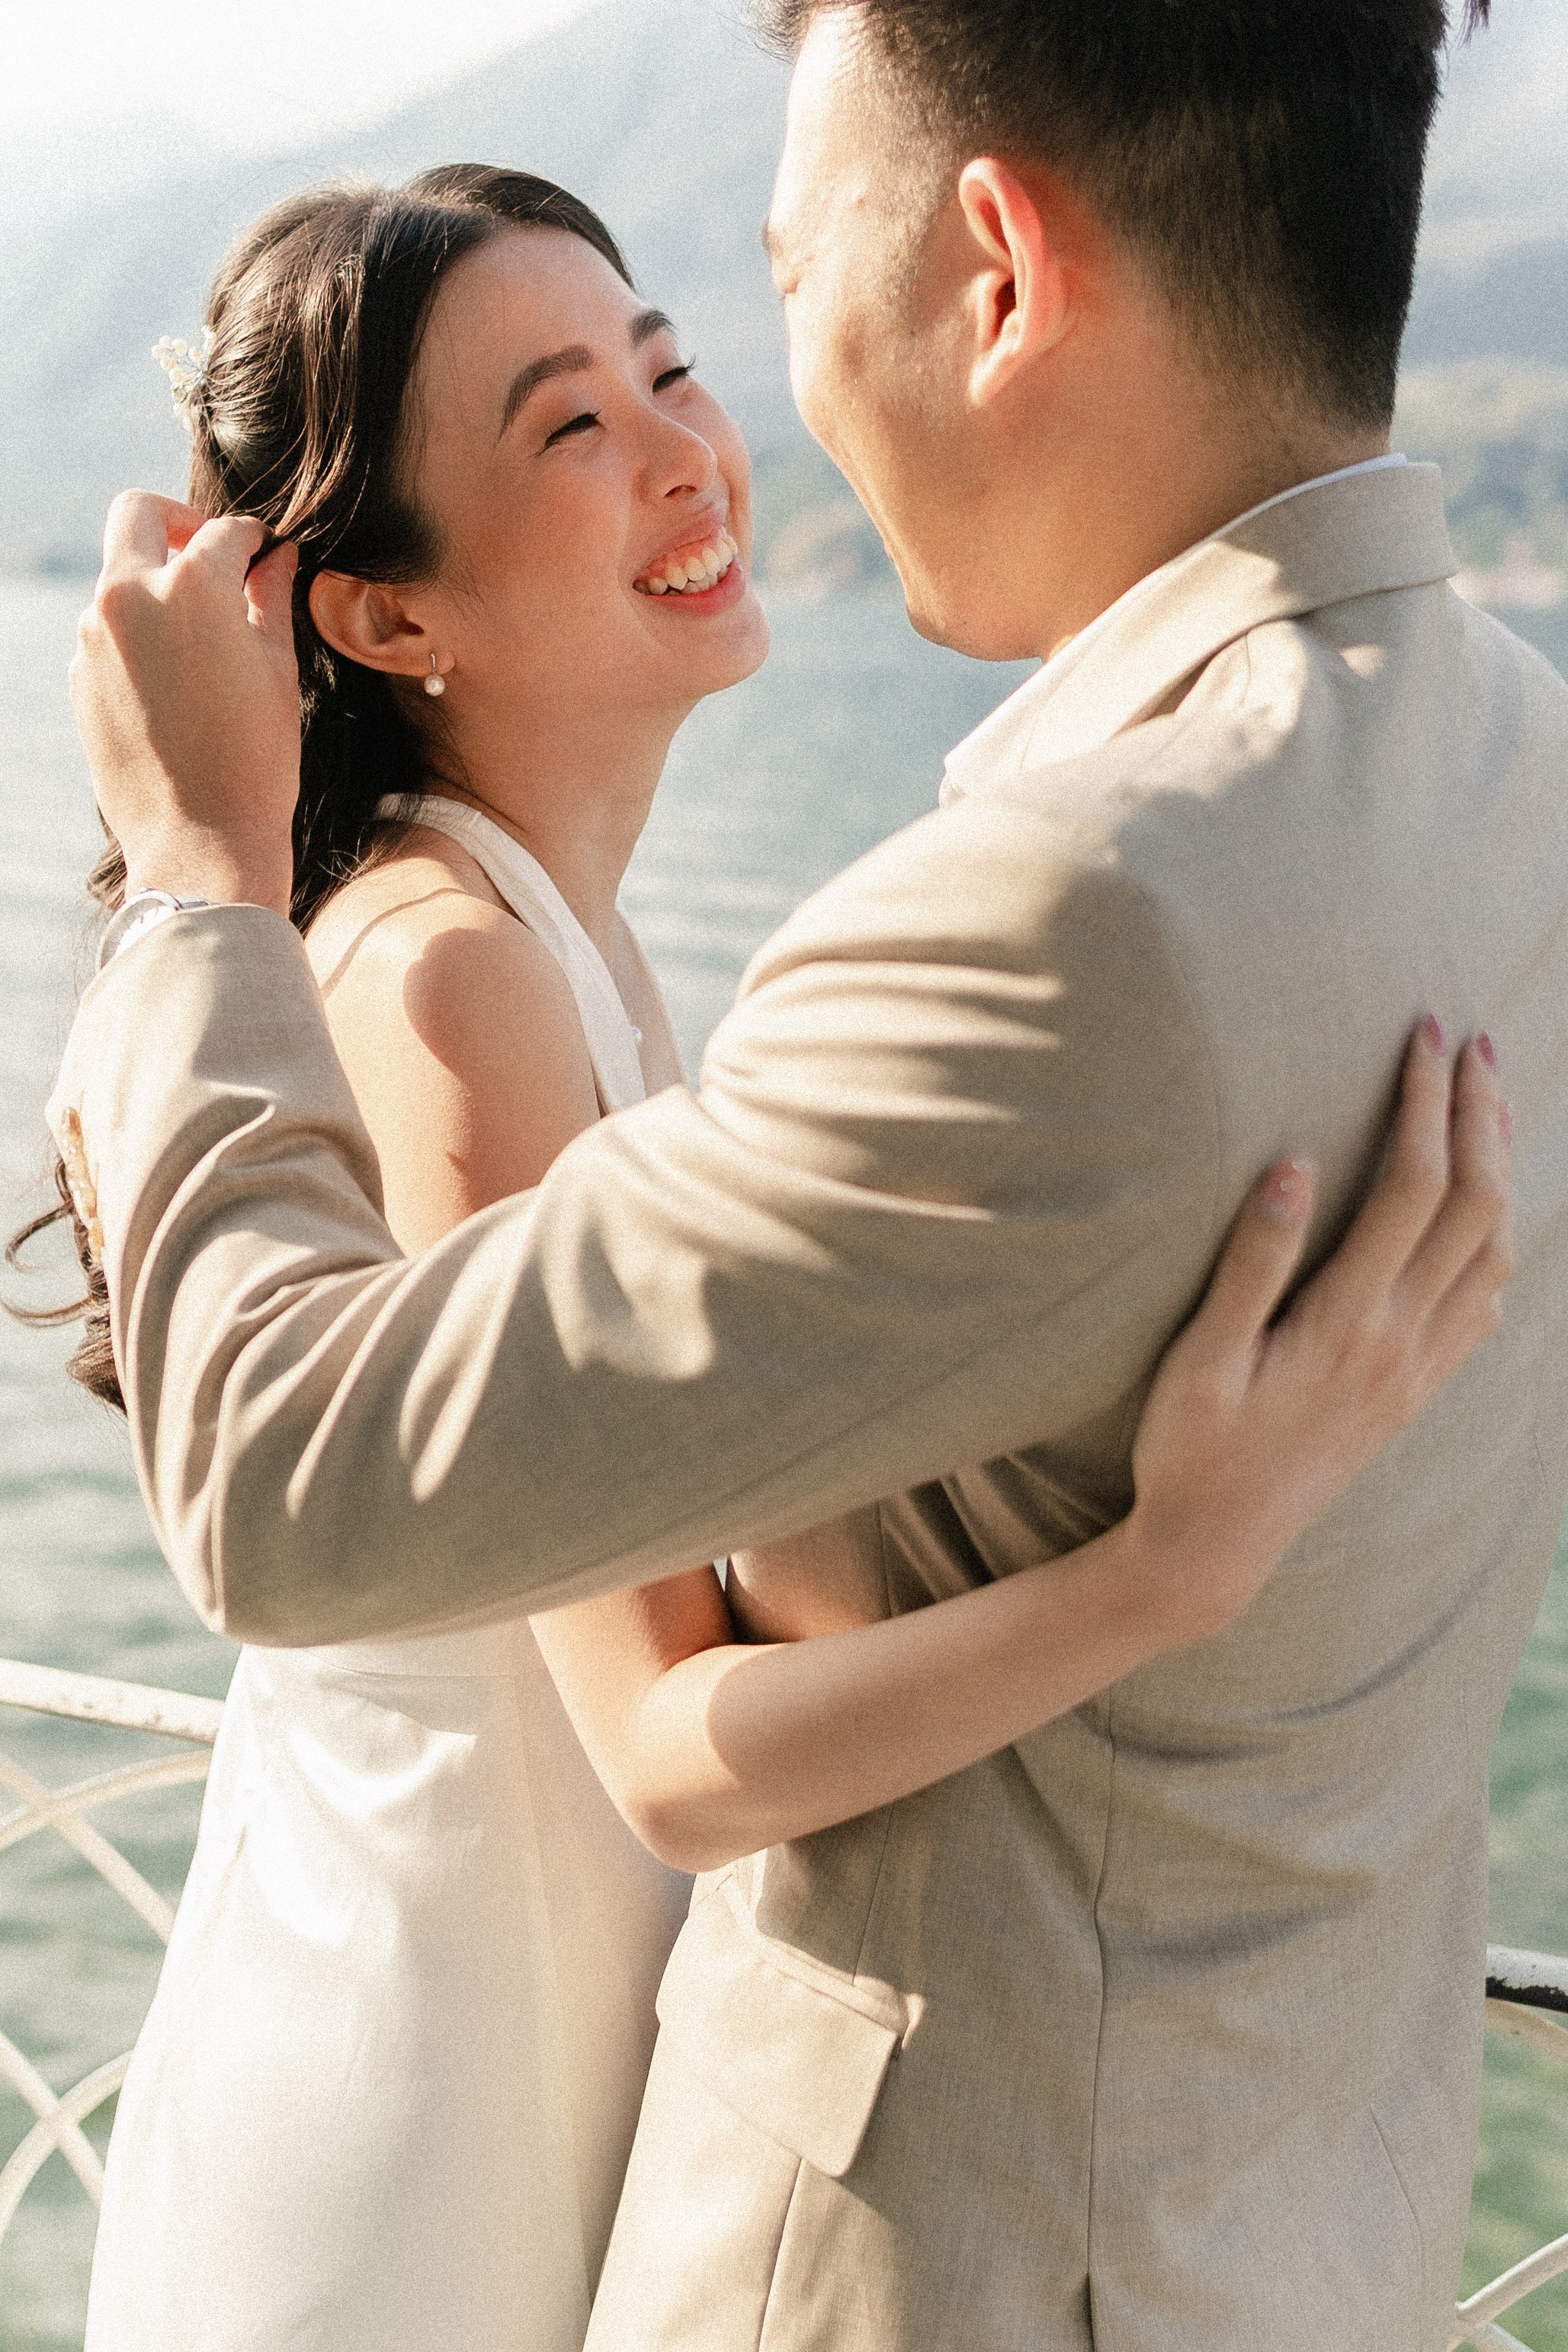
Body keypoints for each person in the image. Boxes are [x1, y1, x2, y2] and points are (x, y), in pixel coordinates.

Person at [50, 0, 1568, 2345]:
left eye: (695, 344)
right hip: (486, 2097)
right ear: (386, 610)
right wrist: (1163, 1575)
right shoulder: (1503, 754)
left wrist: (196, 891)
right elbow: (629, 1705)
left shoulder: (1006, 913)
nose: (708, 439)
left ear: (993, 265)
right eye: (576, 420)